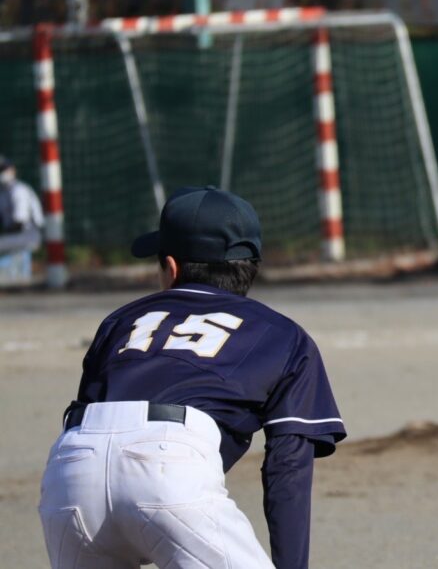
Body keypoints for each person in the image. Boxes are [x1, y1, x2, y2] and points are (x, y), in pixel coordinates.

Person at [38, 186, 347, 569]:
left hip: (72, 466)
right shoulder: (283, 335)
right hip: (171, 464)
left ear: (170, 267)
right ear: (251, 265)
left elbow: (97, 425)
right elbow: (288, 466)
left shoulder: (119, 321)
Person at [0, 155, 43, 282]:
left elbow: (19, 222)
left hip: (29, 234)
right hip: (14, 235)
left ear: (12, 170)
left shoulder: (19, 190)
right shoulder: (2, 193)